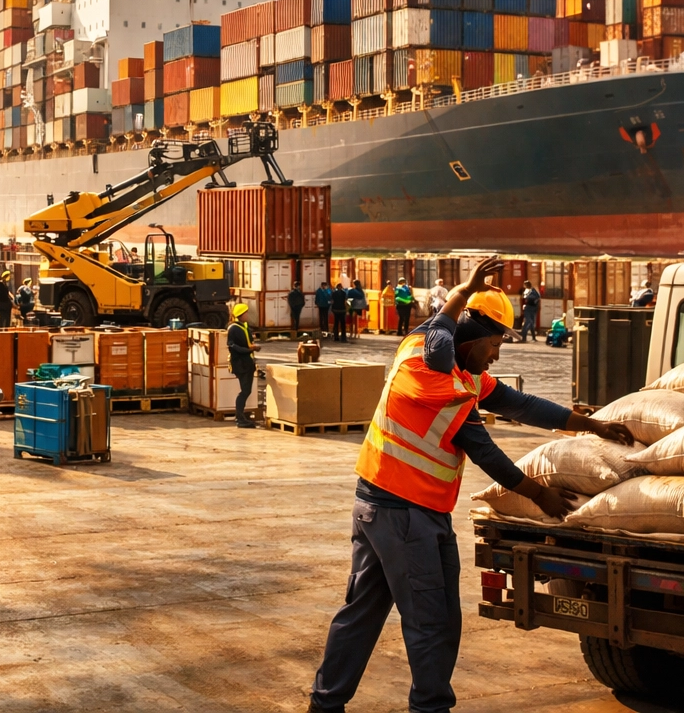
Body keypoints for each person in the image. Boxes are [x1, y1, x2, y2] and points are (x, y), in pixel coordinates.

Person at [309, 256, 634, 713]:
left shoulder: (427, 353)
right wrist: (539, 494)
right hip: (408, 516)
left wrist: (587, 423)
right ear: (476, 338)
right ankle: (431, 708)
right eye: (496, 343)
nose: (497, 354)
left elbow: (518, 403)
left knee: (360, 614)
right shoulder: (435, 381)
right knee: (432, 622)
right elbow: (485, 451)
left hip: (379, 507)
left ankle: (324, 705)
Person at [227, 302, 260, 427]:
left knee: (247, 390)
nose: (247, 315)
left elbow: (248, 342)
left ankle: (241, 417)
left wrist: (252, 345)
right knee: (245, 391)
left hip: (248, 363)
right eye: (245, 313)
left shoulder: (245, 326)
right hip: (240, 364)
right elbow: (232, 346)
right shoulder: (233, 329)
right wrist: (250, 350)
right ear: (240, 315)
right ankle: (239, 418)